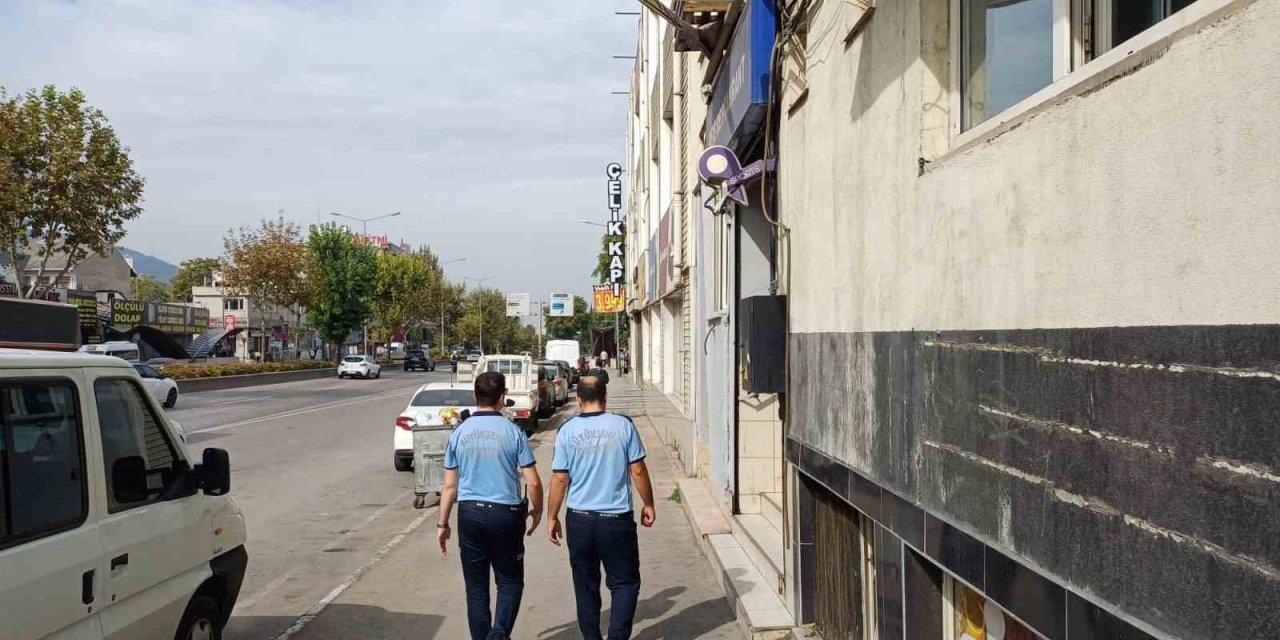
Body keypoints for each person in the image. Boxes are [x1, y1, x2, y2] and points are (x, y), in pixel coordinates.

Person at [547, 371, 655, 640]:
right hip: (616, 520)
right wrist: (648, 503)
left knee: (585, 586)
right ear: (605, 397)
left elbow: (560, 479)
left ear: (579, 399)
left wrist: (552, 516)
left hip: (579, 520)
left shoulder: (566, 430)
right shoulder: (623, 425)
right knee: (624, 583)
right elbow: (638, 470)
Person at [437, 371, 544, 640]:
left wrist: (442, 524)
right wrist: (538, 510)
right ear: (503, 397)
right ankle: (499, 634)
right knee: (509, 581)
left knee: (476, 589)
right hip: (505, 515)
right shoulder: (514, 432)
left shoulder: (459, 433)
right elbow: (532, 482)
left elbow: (450, 486)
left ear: (475, 396)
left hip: (470, 513)